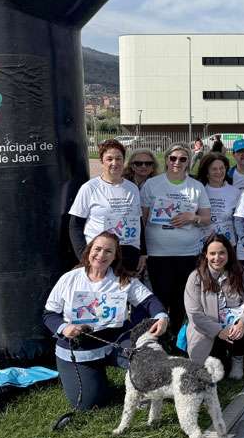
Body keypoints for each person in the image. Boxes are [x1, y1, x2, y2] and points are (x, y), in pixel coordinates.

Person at [43, 232, 169, 409]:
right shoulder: (69, 279)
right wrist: (64, 328)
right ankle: (94, 380)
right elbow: (49, 314)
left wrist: (162, 317)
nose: (101, 255)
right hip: (78, 345)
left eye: (108, 251)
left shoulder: (124, 279)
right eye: (98, 249)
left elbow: (150, 301)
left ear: (115, 255)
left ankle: (142, 387)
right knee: (89, 404)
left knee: (148, 359)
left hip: (116, 339)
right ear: (89, 251)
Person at [141, 143, 211, 339]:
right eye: (173, 158)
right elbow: (143, 219)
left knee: (182, 300)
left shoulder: (196, 187)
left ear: (189, 162)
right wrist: (143, 251)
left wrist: (192, 217)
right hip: (158, 253)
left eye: (182, 159)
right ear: (166, 160)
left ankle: (174, 338)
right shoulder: (152, 184)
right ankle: (158, 339)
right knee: (160, 298)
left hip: (188, 254)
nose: (177, 162)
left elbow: (207, 218)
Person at [184, 234, 244, 380]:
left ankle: (238, 358)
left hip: (233, 327)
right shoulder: (195, 277)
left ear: (229, 253)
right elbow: (194, 314)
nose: (217, 258)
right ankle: (220, 356)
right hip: (207, 330)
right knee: (212, 372)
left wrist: (243, 322)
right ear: (205, 254)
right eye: (212, 253)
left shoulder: (240, 272)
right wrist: (218, 331)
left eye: (221, 253)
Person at [70, 139, 144, 272]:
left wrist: (143, 252)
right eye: (109, 159)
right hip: (101, 257)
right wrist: (84, 256)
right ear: (102, 161)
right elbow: (75, 225)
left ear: (123, 161)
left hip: (129, 255)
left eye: (118, 158)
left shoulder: (132, 188)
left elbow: (137, 221)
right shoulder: (89, 188)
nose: (114, 163)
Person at [197, 153, 241, 245]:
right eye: (214, 169)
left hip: (229, 245)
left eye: (222, 168)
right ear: (206, 172)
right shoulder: (199, 191)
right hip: (204, 245)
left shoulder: (235, 192)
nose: (219, 172)